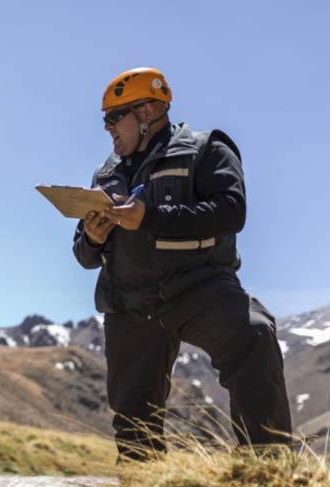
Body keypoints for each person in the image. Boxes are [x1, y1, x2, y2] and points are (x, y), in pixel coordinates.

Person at [72, 67, 292, 461]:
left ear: (147, 111)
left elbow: (231, 212)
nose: (107, 128)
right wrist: (93, 237)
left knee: (254, 335)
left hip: (199, 289)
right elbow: (83, 256)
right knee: (134, 421)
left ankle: (267, 472)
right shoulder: (105, 175)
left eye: (113, 117)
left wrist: (150, 218)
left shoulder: (208, 149)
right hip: (129, 304)